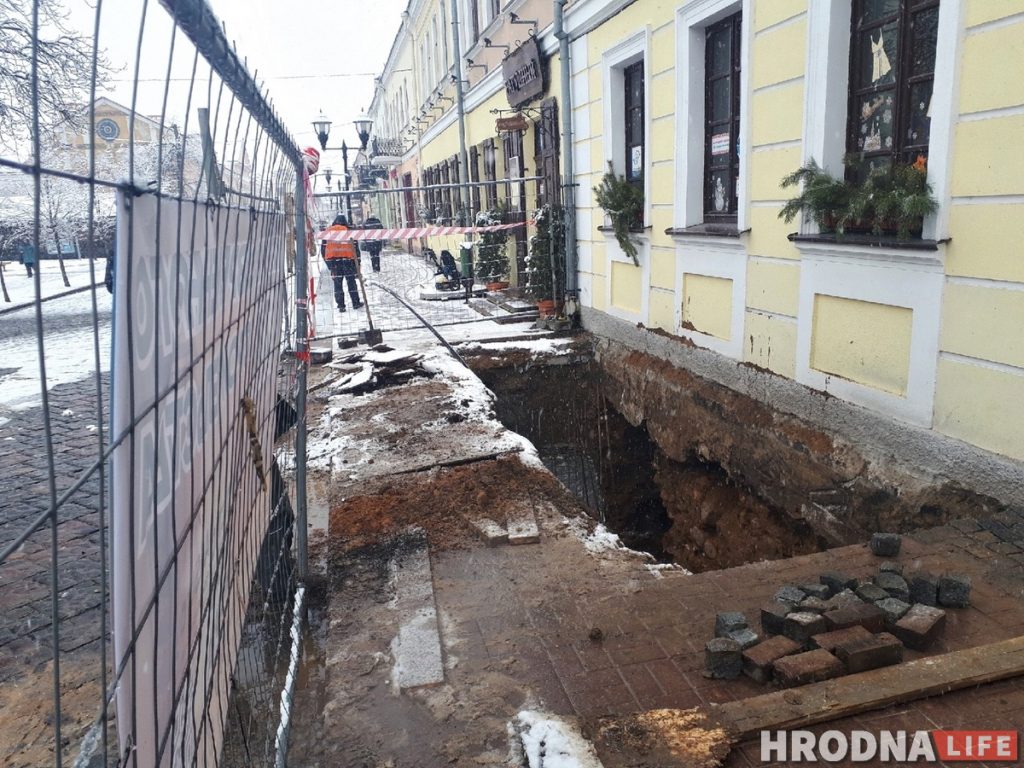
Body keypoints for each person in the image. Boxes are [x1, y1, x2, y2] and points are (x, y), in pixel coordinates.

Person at [320, 214, 363, 312]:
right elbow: (356, 249)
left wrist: (329, 265)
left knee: (337, 284)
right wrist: (357, 263)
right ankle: (355, 303)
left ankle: (341, 306)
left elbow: (323, 250)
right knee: (351, 283)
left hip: (334, 262)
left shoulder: (328, 232)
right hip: (348, 261)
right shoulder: (348, 231)